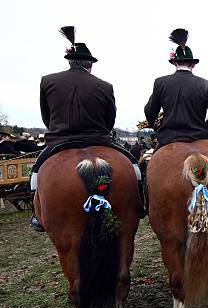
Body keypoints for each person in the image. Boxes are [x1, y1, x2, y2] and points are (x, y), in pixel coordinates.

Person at [30, 26, 141, 232]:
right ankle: (140, 202)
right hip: (98, 138)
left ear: (69, 61)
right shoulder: (105, 85)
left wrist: (57, 131)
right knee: (133, 166)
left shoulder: (48, 81)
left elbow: (47, 116)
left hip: (60, 140)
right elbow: (110, 119)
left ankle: (37, 214)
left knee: (36, 173)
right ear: (89, 64)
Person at [145, 28, 208, 147]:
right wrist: (205, 127)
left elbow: (149, 112)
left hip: (168, 138)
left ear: (175, 63)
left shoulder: (160, 82)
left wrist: (156, 126)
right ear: (193, 64)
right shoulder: (205, 84)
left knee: (150, 164)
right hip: (199, 137)